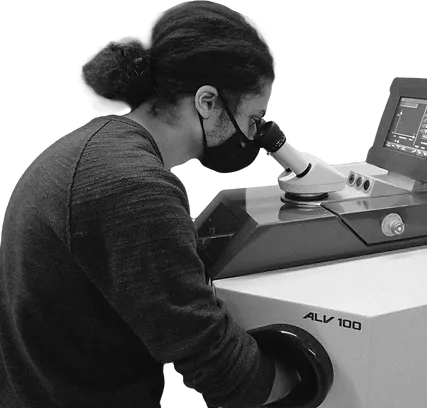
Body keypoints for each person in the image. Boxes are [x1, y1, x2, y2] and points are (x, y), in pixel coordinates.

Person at [0, 1, 301, 407]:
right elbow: (216, 365)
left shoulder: (98, 145)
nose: (252, 136)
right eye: (252, 120)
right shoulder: (133, 187)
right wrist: (305, 377)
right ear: (207, 102)